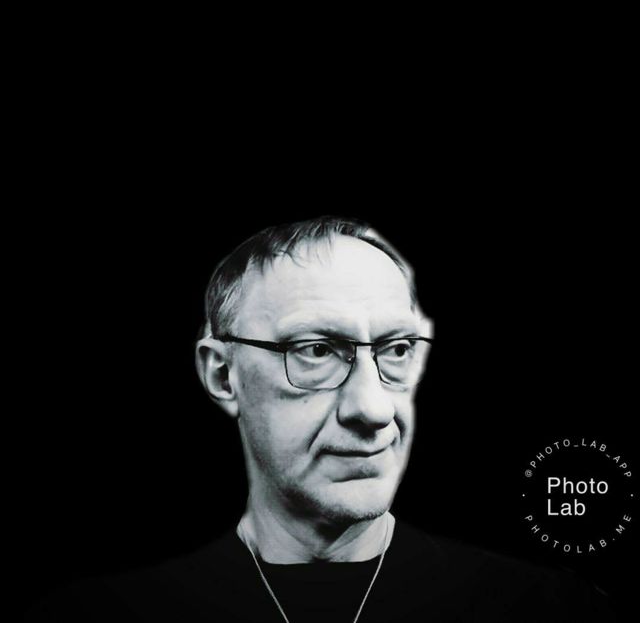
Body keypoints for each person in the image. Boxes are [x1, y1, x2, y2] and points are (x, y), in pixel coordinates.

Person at [25, 216, 618, 622]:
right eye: (315, 350)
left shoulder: (552, 612)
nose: (374, 409)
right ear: (223, 375)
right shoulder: (97, 617)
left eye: (396, 349)